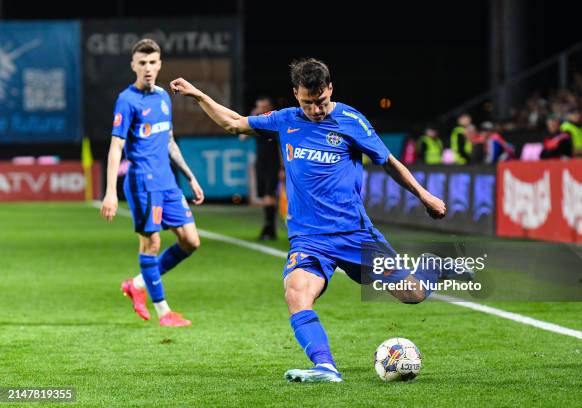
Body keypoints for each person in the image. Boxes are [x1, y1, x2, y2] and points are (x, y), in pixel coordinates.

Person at [170, 58, 470, 382]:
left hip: (353, 234)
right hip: (309, 239)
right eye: (307, 102)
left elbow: (389, 162)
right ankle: (325, 366)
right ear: (296, 94)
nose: (315, 109)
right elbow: (233, 123)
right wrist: (198, 96)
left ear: (330, 88)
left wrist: (424, 195)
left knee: (411, 294)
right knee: (296, 291)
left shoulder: (351, 120)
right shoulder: (285, 120)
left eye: (321, 101)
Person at [100, 39, 205, 327]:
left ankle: (136, 284)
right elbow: (115, 147)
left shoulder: (163, 97)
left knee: (191, 241)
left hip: (168, 182)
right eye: (142, 63)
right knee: (152, 243)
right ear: (134, 65)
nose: (147, 68)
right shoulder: (127, 100)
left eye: (152, 62)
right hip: (142, 182)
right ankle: (163, 312)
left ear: (160, 65)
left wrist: (190, 175)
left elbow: (169, 140)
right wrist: (110, 193)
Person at [239, 96, 281, 240]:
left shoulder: (274, 122)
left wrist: (282, 167)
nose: (261, 109)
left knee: (270, 195)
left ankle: (270, 228)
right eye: (259, 107)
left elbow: (282, 144)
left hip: (272, 161)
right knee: (264, 196)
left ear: (269, 108)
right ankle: (268, 228)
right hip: (261, 162)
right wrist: (252, 116)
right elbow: (242, 137)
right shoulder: (257, 122)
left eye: (264, 107)